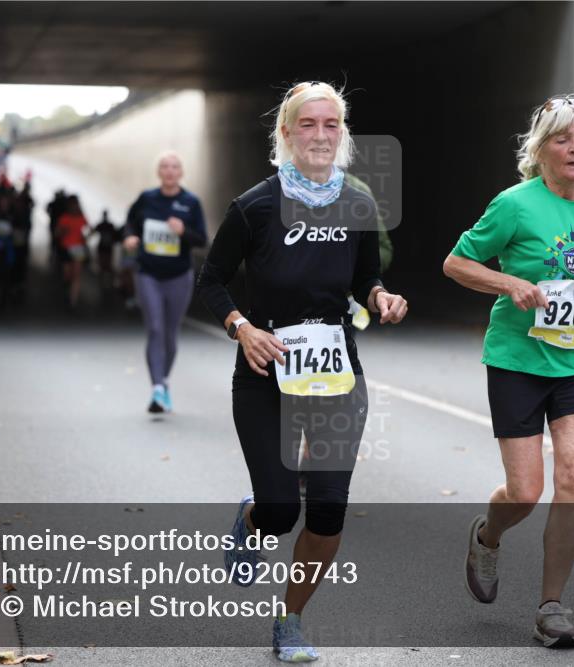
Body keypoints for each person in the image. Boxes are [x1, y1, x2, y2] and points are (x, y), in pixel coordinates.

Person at [196, 81, 407, 663]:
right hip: (265, 373)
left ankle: (290, 620)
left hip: (336, 375)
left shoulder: (359, 205)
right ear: (285, 134)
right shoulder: (256, 206)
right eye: (307, 124)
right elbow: (211, 279)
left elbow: (365, 278)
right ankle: (253, 514)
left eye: (330, 124)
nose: (320, 134)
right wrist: (243, 327)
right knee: (281, 508)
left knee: (329, 507)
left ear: (343, 134)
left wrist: (382, 296)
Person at [443, 94, 574, 648]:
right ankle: (488, 533)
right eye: (561, 138)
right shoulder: (514, 205)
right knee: (526, 491)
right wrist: (509, 283)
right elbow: (456, 262)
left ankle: (552, 607)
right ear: (541, 148)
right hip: (517, 361)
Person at [123, 151, 207, 413]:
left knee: (170, 334)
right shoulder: (147, 199)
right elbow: (129, 223)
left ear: (181, 173)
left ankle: (164, 381)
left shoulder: (190, 202)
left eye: (174, 167)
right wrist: (130, 238)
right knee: (155, 329)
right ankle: (157, 388)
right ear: (159, 172)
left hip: (178, 276)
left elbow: (201, 240)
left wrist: (183, 231)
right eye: (164, 167)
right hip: (148, 273)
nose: (169, 171)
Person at [56, 195, 90, 309]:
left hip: (78, 249)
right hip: (66, 248)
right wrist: (63, 232)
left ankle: (73, 301)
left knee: (77, 275)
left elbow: (89, 230)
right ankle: (67, 288)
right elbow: (57, 233)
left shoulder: (82, 218)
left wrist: (85, 238)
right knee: (67, 274)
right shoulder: (64, 218)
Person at [92, 209, 119, 288]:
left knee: (105, 265)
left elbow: (92, 232)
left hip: (105, 248)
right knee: (106, 265)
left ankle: (105, 282)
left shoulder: (103, 225)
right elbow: (116, 237)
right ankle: (107, 282)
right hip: (106, 248)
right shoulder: (109, 225)